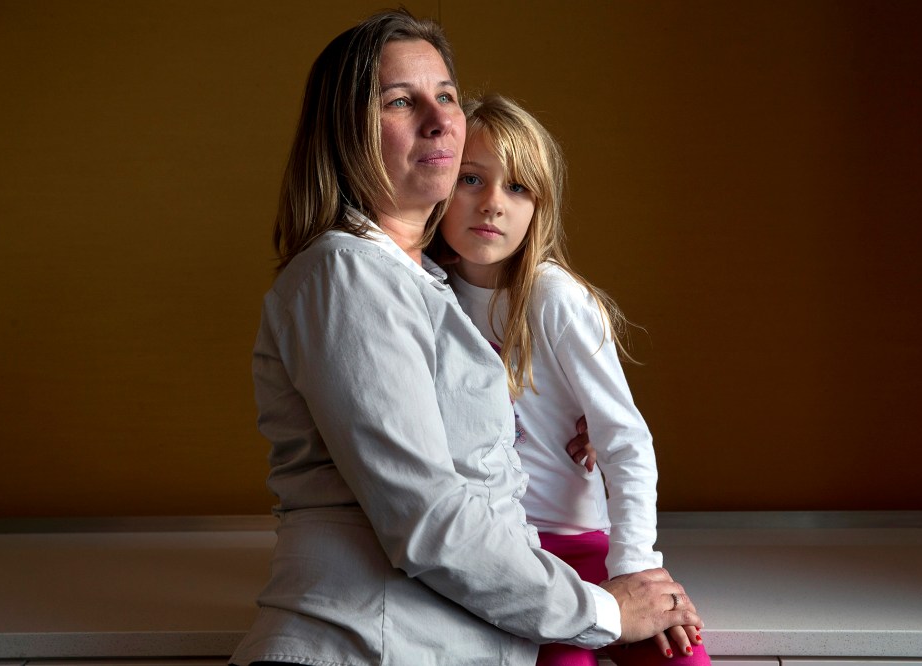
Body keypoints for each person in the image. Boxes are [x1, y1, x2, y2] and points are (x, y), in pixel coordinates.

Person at [230, 10, 700, 666]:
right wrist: (605, 610)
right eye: (400, 101)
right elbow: (425, 517)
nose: (439, 119)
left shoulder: (427, 282)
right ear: (345, 132)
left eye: (446, 95)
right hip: (367, 647)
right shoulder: (347, 273)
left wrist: (566, 423)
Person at [437, 95, 711, 666]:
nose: (493, 203)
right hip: (498, 558)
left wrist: (634, 567)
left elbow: (624, 440)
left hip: (582, 544)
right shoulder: (424, 297)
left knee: (681, 658)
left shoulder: (552, 297)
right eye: (471, 178)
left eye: (518, 188)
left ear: (539, 207)